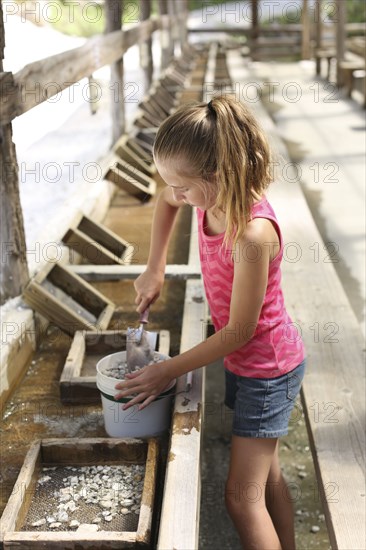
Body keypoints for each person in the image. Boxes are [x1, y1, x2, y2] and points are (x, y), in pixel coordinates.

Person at [115, 96, 306, 549]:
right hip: (245, 362)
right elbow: (165, 202)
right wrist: (155, 267)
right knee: (266, 474)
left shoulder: (253, 234)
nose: (177, 195)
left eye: (183, 187)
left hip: (268, 369)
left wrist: (168, 368)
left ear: (217, 176)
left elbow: (240, 330)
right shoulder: (207, 196)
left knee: (241, 499)